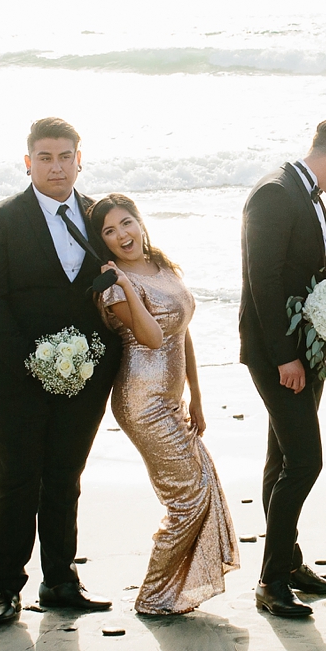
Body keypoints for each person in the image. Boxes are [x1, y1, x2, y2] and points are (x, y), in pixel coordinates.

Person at [0, 117, 123, 627]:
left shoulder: (99, 216)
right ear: (28, 162)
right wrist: (36, 362)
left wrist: (97, 360)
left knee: (64, 477)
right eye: (45, 157)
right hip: (16, 376)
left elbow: (122, 279)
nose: (56, 167)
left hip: (86, 376)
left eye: (65, 157)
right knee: (17, 478)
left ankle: (59, 580)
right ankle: (5, 587)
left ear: (80, 159)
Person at [238, 117, 326, 619]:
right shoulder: (274, 193)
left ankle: (288, 563)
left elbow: (312, 276)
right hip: (277, 353)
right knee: (305, 461)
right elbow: (264, 281)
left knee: (282, 460)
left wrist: (325, 345)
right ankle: (270, 582)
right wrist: (285, 356)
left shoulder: (310, 195)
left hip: (303, 349)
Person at [88, 193, 237, 616]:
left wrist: (197, 396)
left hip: (173, 398)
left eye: (126, 223)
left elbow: (182, 331)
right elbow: (152, 338)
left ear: (139, 221)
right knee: (188, 496)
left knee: (202, 484)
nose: (122, 235)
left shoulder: (162, 264)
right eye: (110, 232)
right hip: (141, 401)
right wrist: (124, 285)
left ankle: (172, 590)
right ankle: (154, 595)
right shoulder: (112, 289)